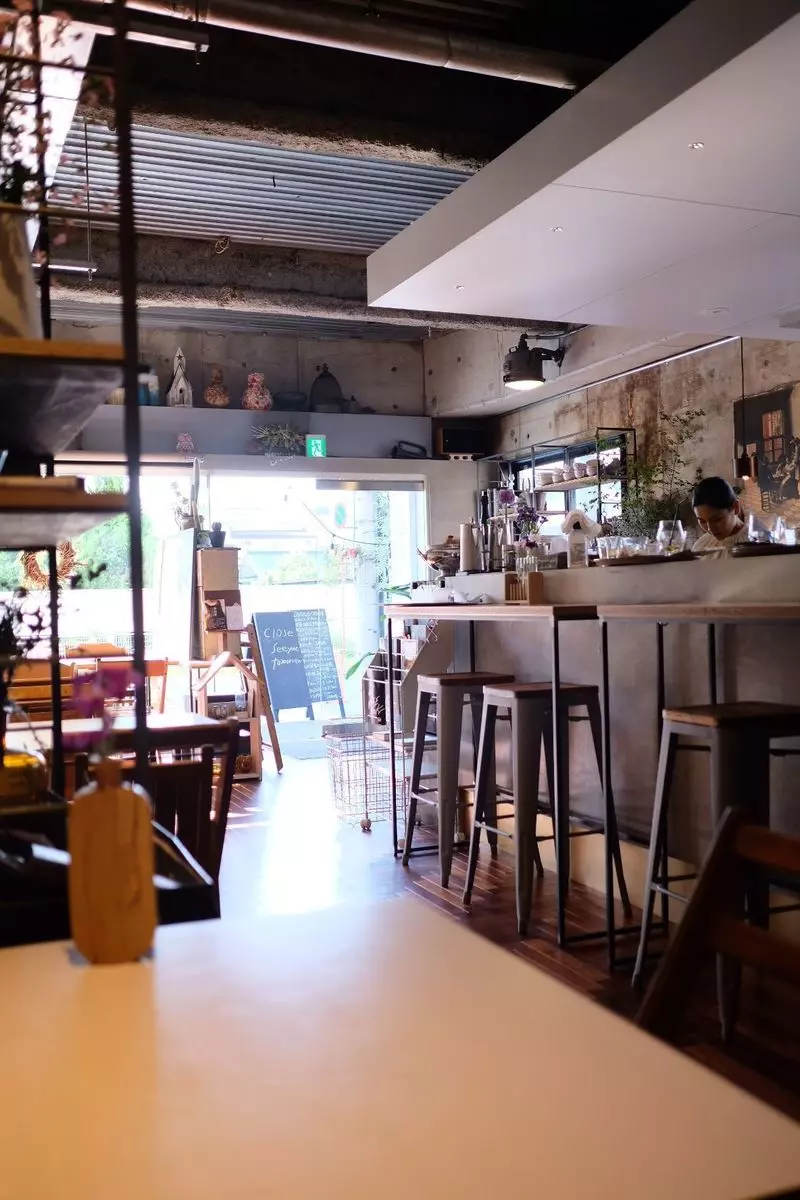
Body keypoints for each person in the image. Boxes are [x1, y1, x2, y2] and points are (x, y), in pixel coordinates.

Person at [692, 476, 749, 554]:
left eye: (716, 520)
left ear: (735, 507)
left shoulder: (758, 544)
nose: (710, 529)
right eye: (702, 521)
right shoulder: (700, 547)